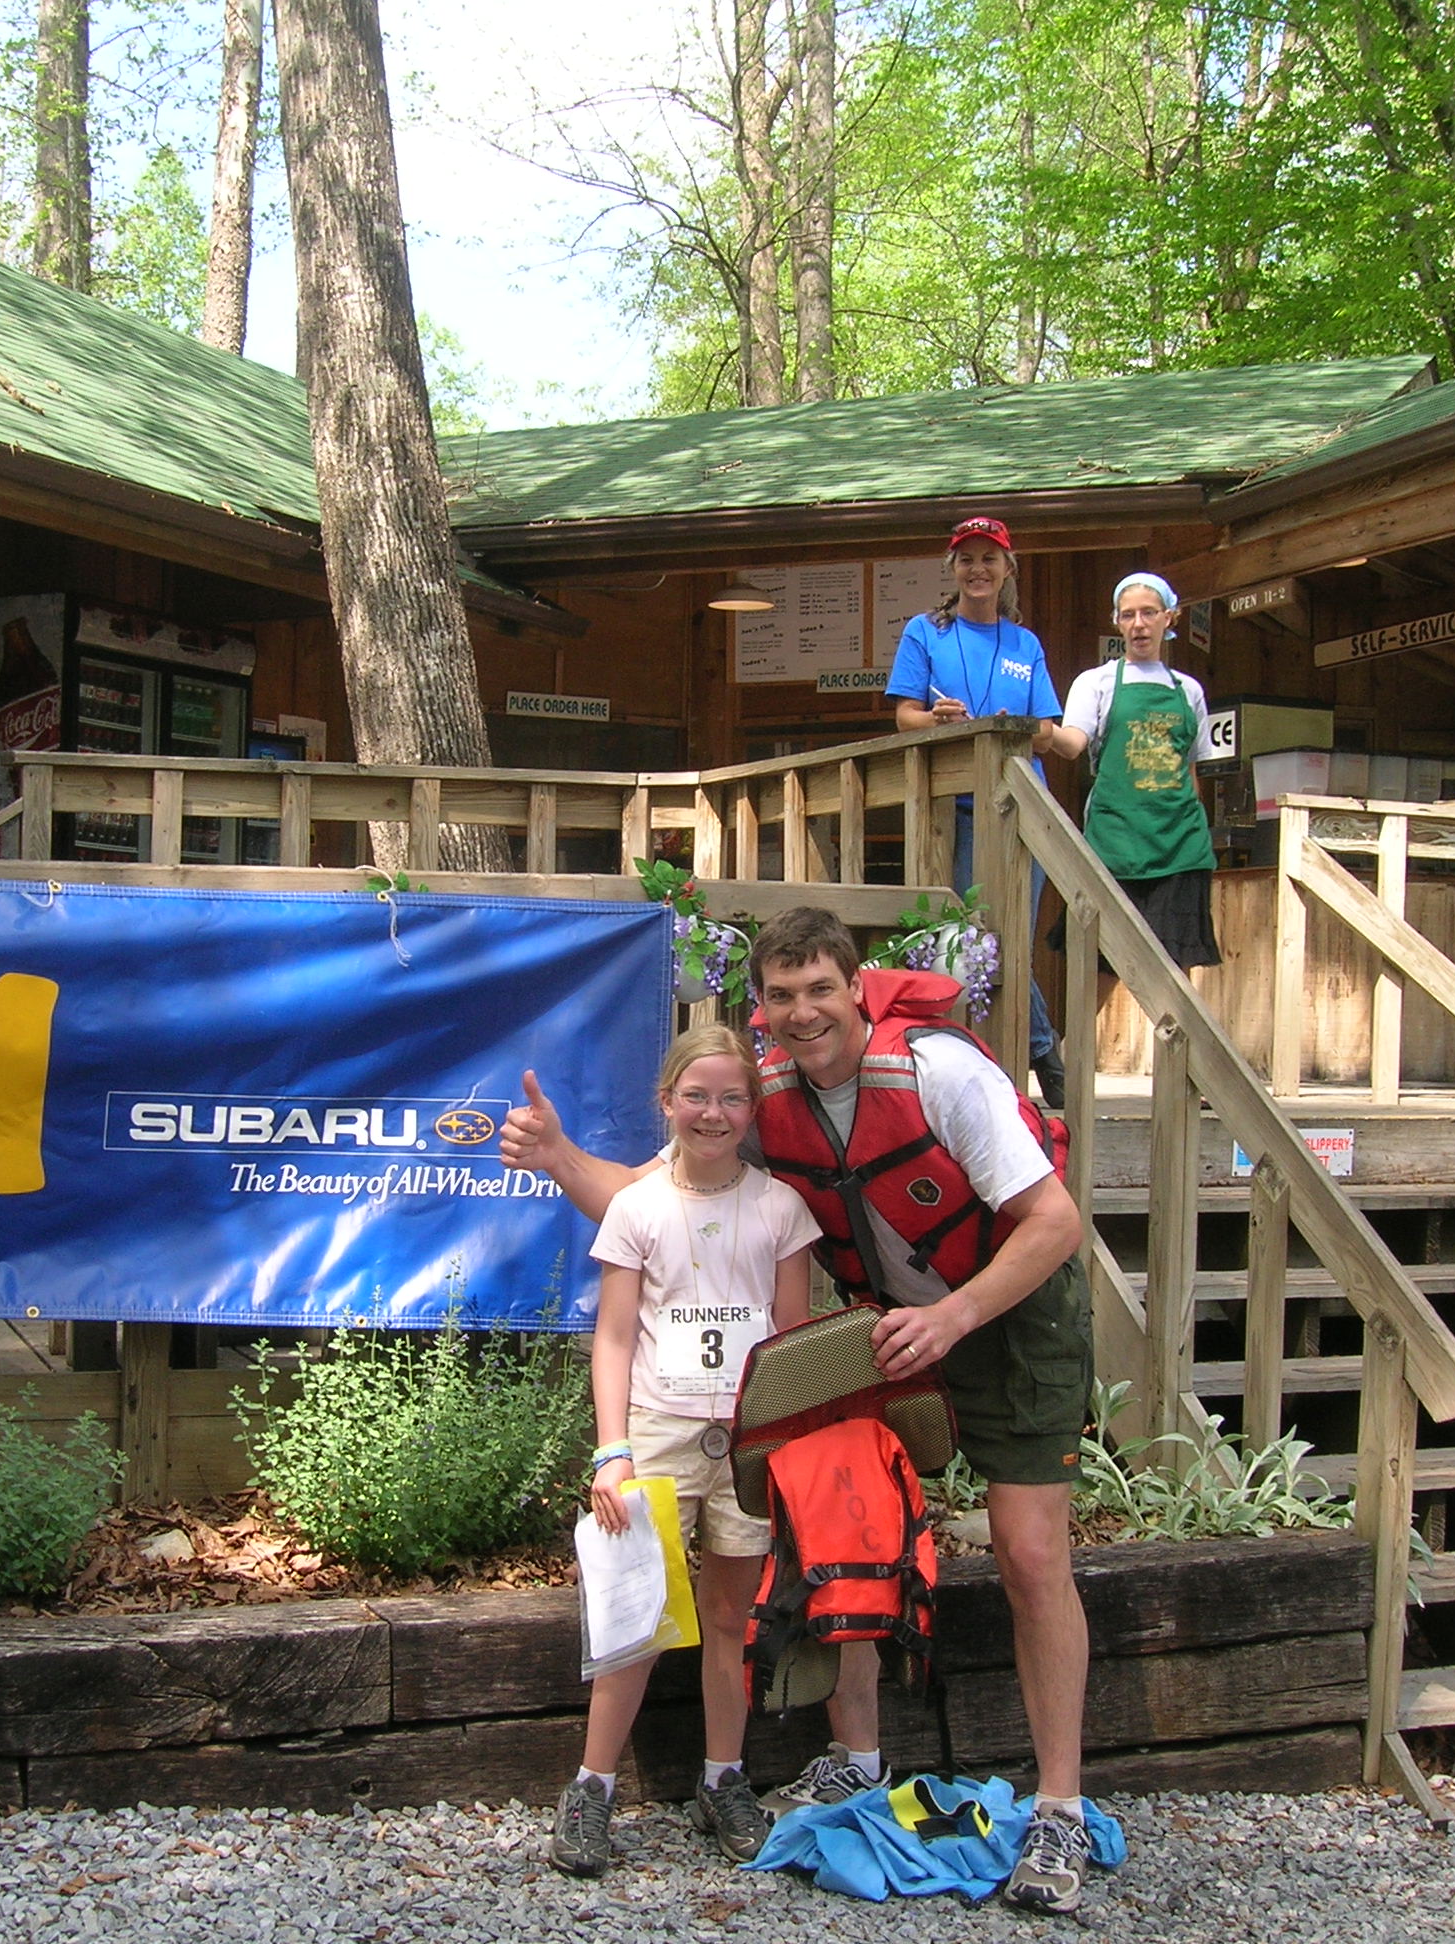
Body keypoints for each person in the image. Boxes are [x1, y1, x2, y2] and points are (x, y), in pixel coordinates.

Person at [506, 907, 1100, 1914]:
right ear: (762, 1008)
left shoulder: (941, 1074)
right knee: (846, 1521)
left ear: (856, 988)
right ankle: (856, 1758)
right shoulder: (768, 1092)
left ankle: (1059, 1808)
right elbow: (650, 1197)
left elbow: (1055, 1222)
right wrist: (561, 1155)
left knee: (1030, 1553)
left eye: (821, 988)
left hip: (1005, 1311)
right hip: (890, 1325)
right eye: (781, 996)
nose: (803, 1011)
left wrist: (953, 1317)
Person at [550, 1024, 820, 1880]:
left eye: (732, 1098)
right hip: (659, 1432)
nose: (713, 1113)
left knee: (731, 1619)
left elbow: (792, 1336)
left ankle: (723, 1776)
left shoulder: (780, 1208)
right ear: (666, 1102)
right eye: (696, 1096)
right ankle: (592, 1786)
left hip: (746, 1439)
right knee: (637, 1616)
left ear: (754, 1108)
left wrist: (783, 1442)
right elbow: (614, 1336)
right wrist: (612, 1451)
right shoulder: (638, 1206)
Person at [887, 516, 1068, 1107]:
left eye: (990, 558)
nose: (978, 569)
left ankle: (1028, 1053)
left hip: (1021, 806)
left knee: (1011, 939)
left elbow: (1048, 730)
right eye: (967, 559)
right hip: (954, 808)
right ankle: (1042, 1053)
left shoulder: (1025, 643)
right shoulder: (925, 631)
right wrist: (935, 719)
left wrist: (1022, 726)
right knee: (979, 936)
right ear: (953, 569)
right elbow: (904, 717)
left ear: (1008, 569)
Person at [1056, 573, 1221, 974]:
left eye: (1149, 613)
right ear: (1117, 622)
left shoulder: (1189, 690)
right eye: (1128, 615)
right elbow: (1072, 744)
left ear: (1169, 617)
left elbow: (1191, 769)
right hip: (1114, 843)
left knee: (1174, 970)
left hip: (1180, 847)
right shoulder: (1095, 683)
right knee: (1104, 964)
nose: (1139, 624)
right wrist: (1040, 731)